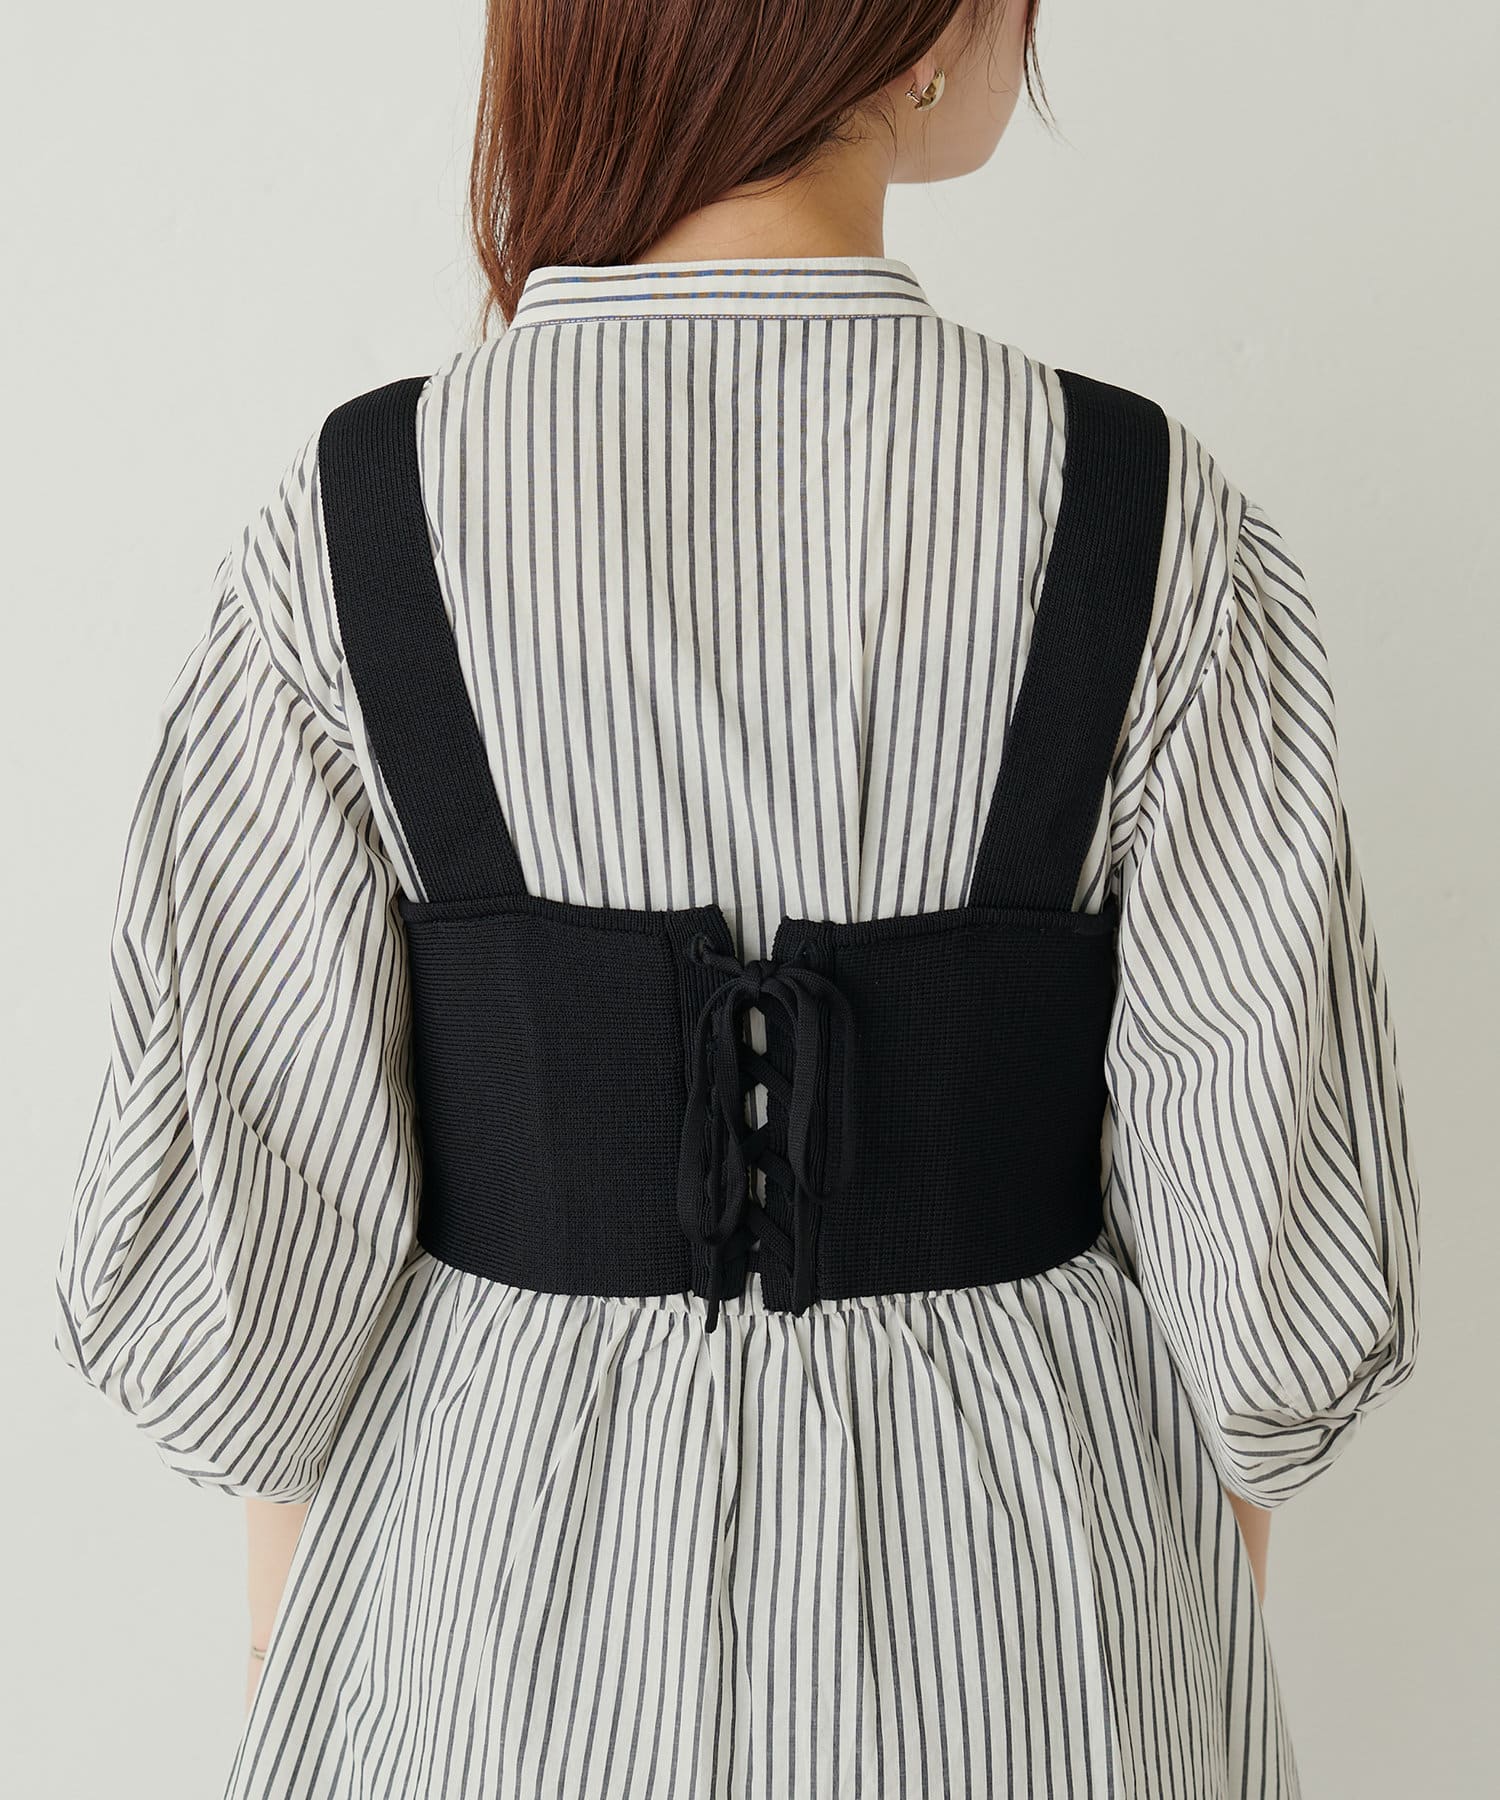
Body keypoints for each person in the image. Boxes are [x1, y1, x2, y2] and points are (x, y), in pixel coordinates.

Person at [52, 3, 1422, 1796]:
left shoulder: (359, 523)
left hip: (489, 1637)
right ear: (921, 32)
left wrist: (279, 1679)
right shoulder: (1148, 523)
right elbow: (1268, 1295)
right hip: (1028, 1628)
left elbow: (253, 1304)